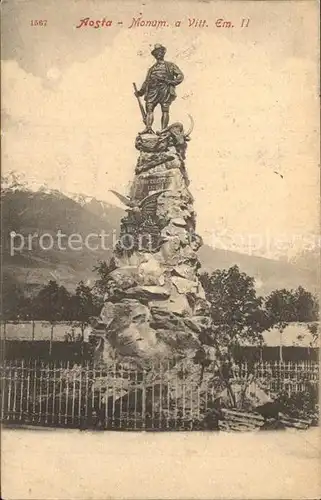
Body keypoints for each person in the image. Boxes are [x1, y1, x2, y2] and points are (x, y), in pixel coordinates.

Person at [135, 44, 184, 133]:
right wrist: (140, 92)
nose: (159, 54)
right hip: (152, 90)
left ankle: (163, 130)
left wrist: (170, 82)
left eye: (160, 52)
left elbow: (180, 76)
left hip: (165, 89)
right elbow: (147, 81)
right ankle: (148, 128)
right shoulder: (151, 69)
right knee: (149, 108)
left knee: (165, 110)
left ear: (163, 53)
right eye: (157, 53)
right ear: (154, 55)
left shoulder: (170, 65)